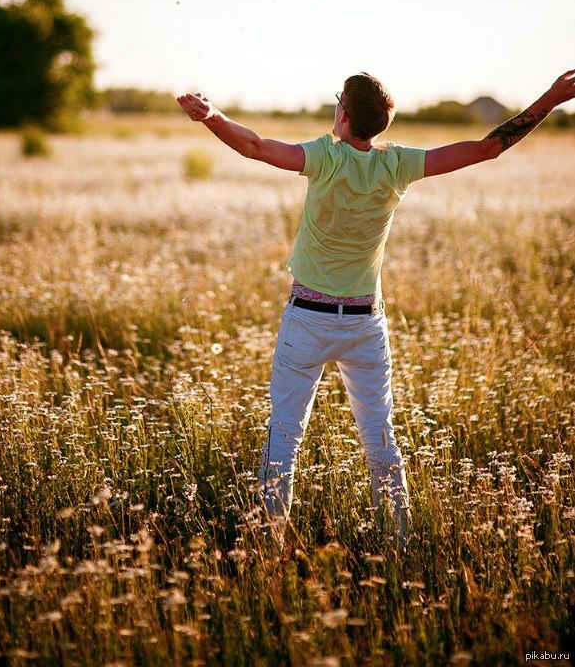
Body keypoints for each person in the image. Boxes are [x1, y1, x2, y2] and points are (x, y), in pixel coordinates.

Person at [176, 69, 575, 554]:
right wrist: (551, 98)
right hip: (366, 325)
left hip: (306, 318)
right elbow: (489, 147)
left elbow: (256, 146)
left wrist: (212, 116)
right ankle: (398, 547)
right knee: (381, 443)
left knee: (283, 441)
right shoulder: (396, 165)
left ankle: (268, 551)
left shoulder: (324, 154)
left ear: (341, 112)